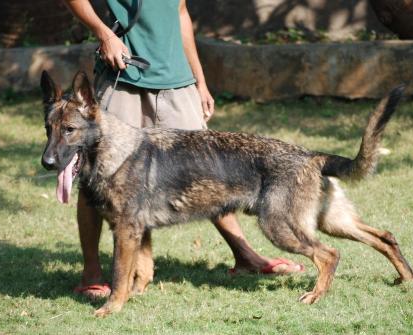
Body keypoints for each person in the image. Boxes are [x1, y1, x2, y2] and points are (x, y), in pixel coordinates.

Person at [64, 0, 304, 299]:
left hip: (177, 82)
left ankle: (245, 256)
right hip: (124, 77)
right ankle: (92, 274)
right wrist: (104, 34)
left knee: (209, 171)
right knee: (97, 177)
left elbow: (180, 13)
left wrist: (200, 80)